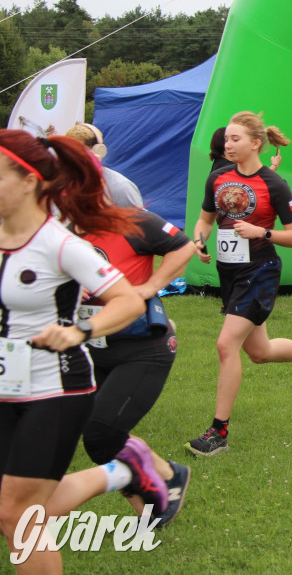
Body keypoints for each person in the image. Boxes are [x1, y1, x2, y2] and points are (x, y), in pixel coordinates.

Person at [0, 130, 147, 573]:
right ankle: (122, 472)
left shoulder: (61, 245)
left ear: (28, 181)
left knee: (18, 514)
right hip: (6, 386)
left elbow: (128, 300)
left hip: (55, 390)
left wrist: (81, 329)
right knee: (19, 506)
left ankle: (122, 471)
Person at [186, 112, 292, 456]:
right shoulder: (218, 178)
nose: (228, 144)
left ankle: (218, 433)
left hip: (260, 270)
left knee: (227, 345)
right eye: (226, 138)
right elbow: (205, 220)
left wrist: (262, 232)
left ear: (256, 143)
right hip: (230, 272)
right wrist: (199, 240)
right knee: (258, 352)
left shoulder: (275, 184)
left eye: (235, 139)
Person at [46, 208, 196, 527]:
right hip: (93, 349)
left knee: (102, 435)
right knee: (105, 438)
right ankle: (157, 501)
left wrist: (150, 286)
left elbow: (183, 245)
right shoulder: (54, 231)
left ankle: (164, 486)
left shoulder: (128, 220)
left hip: (144, 348)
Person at [64, 123, 144, 208]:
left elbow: (139, 220)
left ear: (98, 151)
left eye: (79, 153)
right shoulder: (63, 186)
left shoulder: (120, 187)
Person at [211, 126, 282, 173]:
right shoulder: (226, 167)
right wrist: (274, 165)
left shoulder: (221, 164)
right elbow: (255, 181)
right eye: (235, 140)